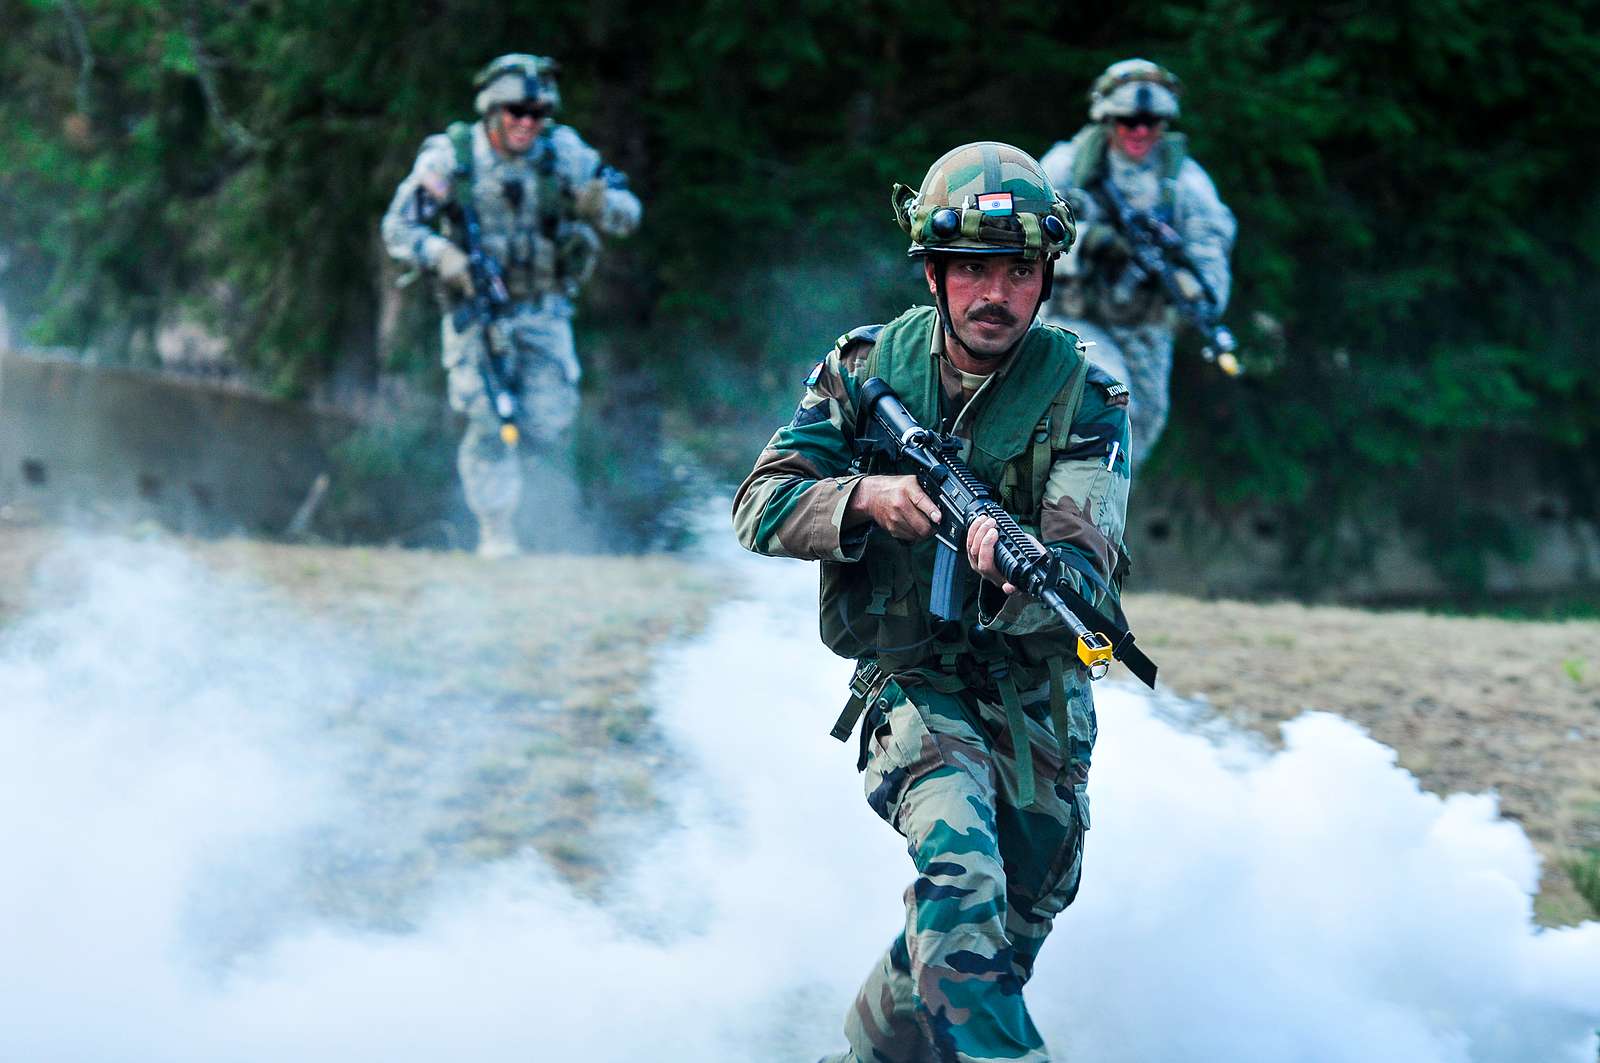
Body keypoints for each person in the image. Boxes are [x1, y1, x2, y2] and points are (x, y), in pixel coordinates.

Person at [732, 142, 1133, 1063]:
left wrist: (1017, 563)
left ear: (1045, 278)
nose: (996, 293)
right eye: (974, 269)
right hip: (909, 682)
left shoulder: (1086, 395)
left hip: (1035, 699)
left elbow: (1085, 564)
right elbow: (759, 504)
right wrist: (864, 500)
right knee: (962, 884)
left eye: (1019, 271)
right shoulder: (865, 370)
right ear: (935, 271)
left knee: (1003, 932)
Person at [381, 53, 640, 557]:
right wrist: (442, 254)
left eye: (537, 114)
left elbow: (628, 211)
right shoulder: (450, 157)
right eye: (516, 112)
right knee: (485, 417)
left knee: (549, 419)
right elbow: (398, 226)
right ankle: (496, 531)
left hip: (544, 309)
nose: (527, 124)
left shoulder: (564, 154)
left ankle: (548, 525)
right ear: (492, 111)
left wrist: (600, 205)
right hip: (475, 310)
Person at [1040, 58, 1235, 473]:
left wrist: (1195, 293)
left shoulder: (1185, 183)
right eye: (1129, 121)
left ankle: (1105, 520)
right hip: (1073, 316)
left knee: (1142, 425)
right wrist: (1089, 242)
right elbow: (1025, 238)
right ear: (1108, 118)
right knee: (1109, 397)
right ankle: (1068, 507)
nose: (1140, 132)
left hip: (1144, 326)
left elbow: (1209, 246)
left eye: (1152, 121)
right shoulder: (1066, 168)